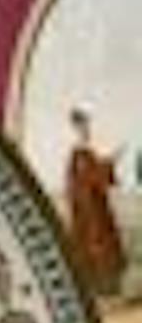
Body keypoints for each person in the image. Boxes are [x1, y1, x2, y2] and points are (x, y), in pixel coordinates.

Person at [64, 107, 126, 293]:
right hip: (88, 209)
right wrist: (109, 164)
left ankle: (108, 286)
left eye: (86, 125)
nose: (86, 129)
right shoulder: (79, 152)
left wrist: (108, 164)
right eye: (82, 125)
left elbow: (93, 175)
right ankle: (99, 287)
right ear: (77, 127)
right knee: (94, 244)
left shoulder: (86, 151)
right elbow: (87, 177)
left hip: (95, 205)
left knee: (103, 243)